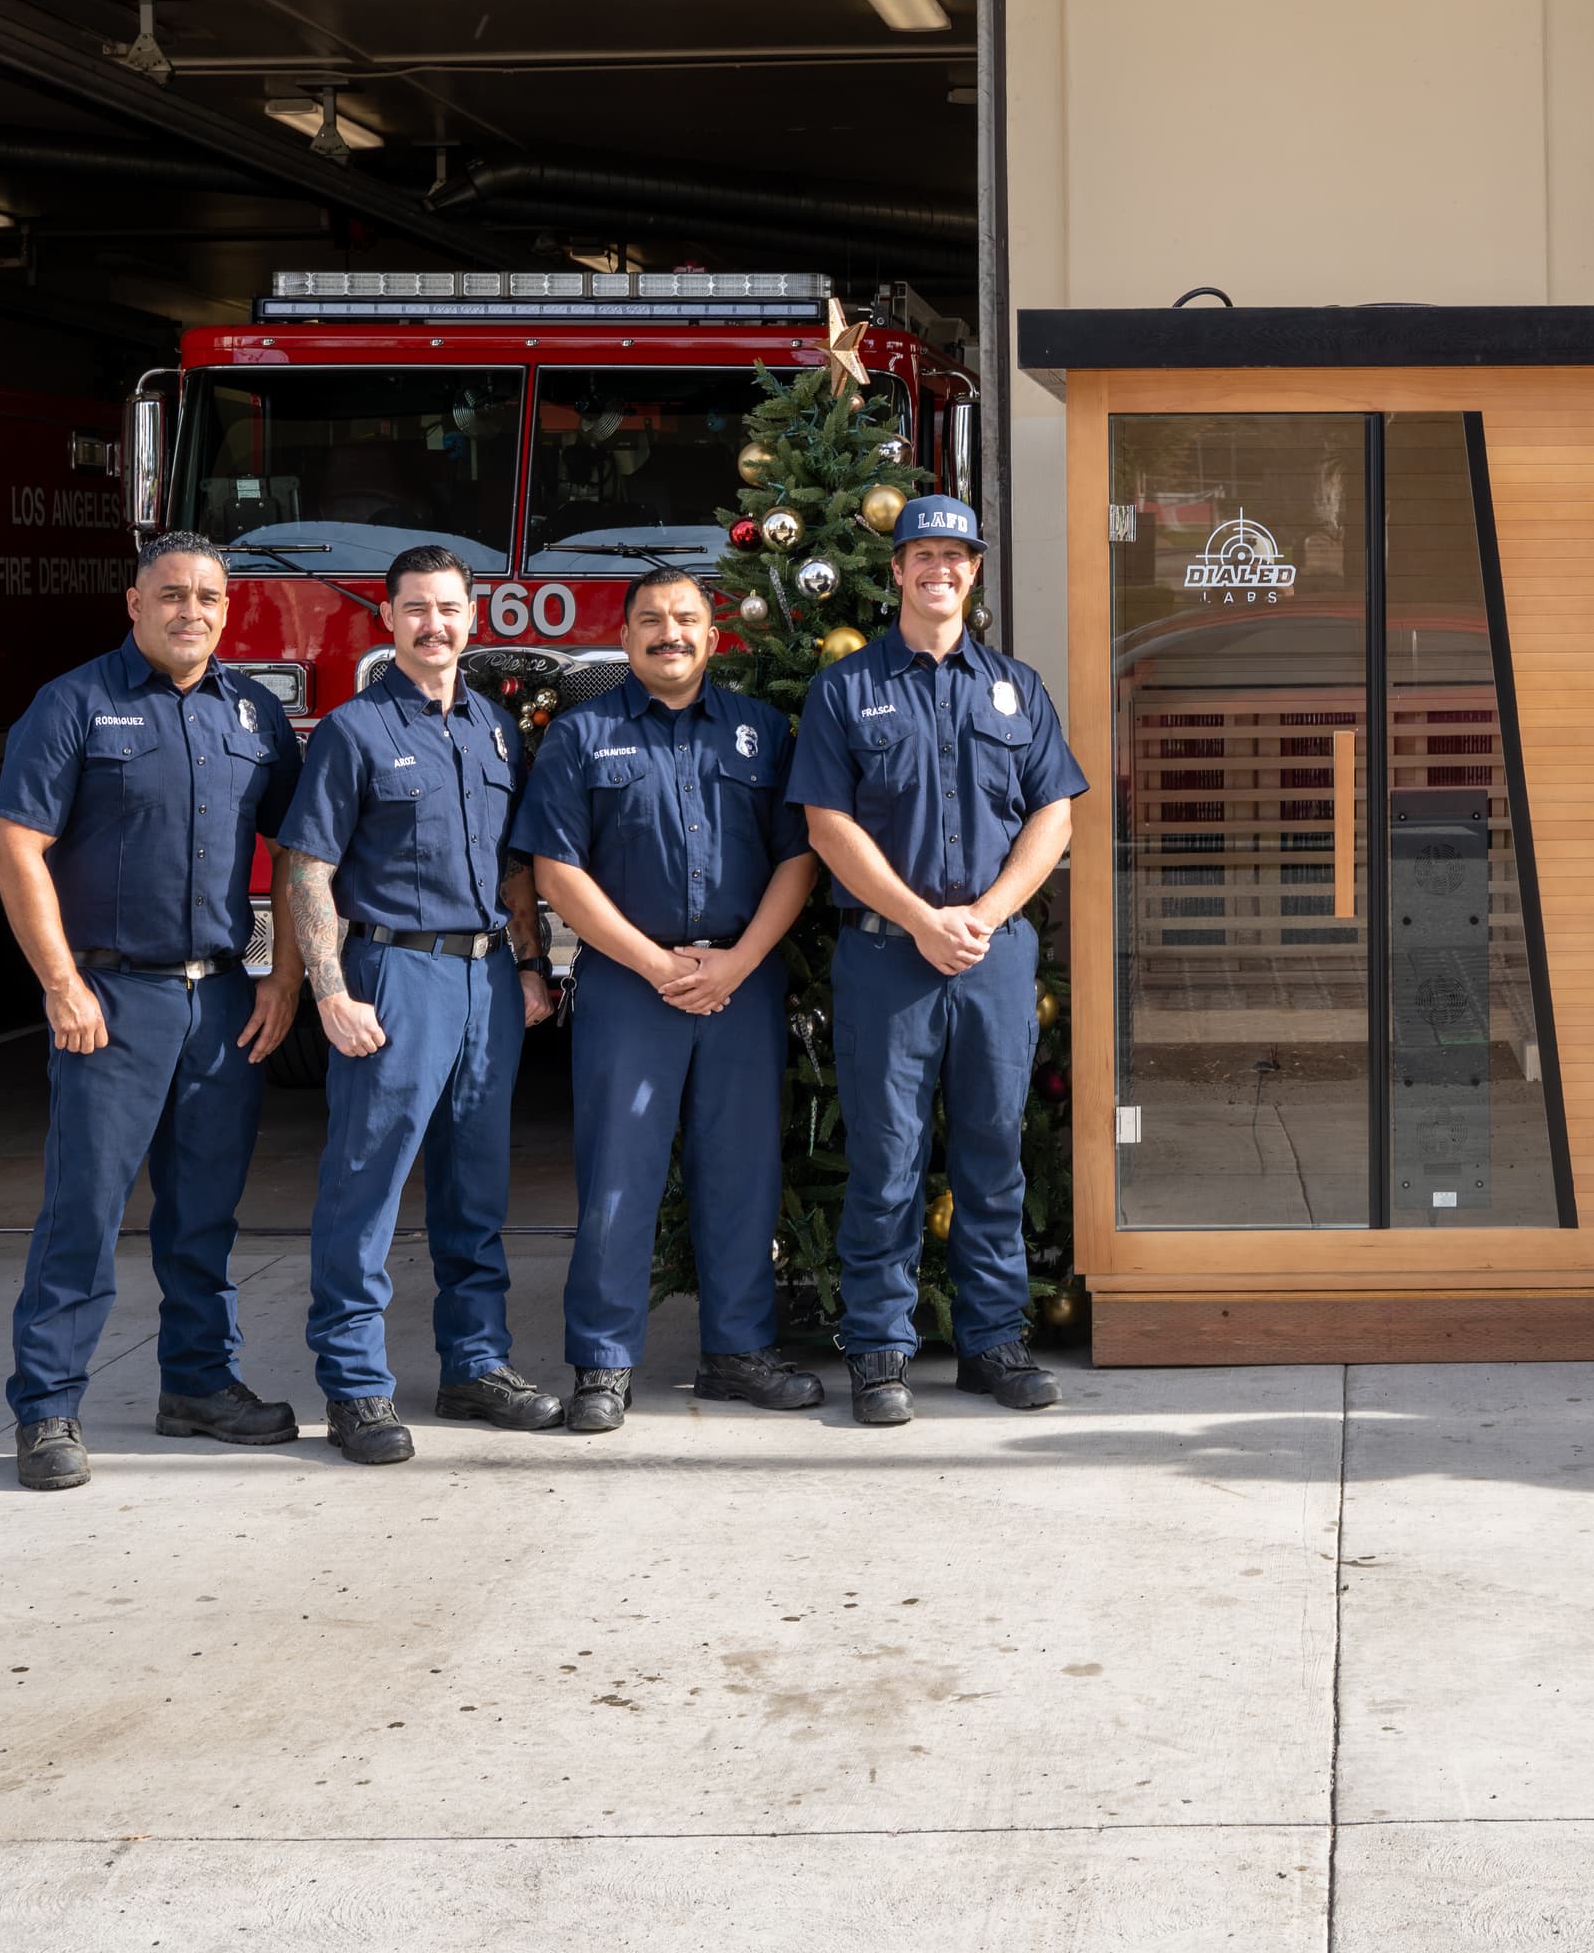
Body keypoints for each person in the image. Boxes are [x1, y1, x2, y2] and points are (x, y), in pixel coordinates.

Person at [0, 532, 305, 1493]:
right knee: (83, 1209)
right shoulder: (74, 704)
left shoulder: (253, 714)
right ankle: (47, 1410)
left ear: (228, 609)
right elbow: (16, 849)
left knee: (205, 1211)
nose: (190, 611)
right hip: (111, 998)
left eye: (208, 597)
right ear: (134, 604)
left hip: (221, 1000)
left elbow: (298, 853)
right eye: (171, 595)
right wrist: (61, 983)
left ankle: (199, 1386)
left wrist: (284, 978)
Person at [785, 494, 1084, 1427]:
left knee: (995, 1156)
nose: (939, 570)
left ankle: (995, 1342)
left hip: (992, 959)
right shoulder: (846, 689)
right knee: (885, 1157)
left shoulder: (1017, 689)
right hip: (887, 958)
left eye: (956, 556)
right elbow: (826, 826)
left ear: (976, 572)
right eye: (923, 555)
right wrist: (919, 918)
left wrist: (984, 917)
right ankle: (879, 1351)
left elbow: (1053, 814)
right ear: (898, 571)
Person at [515, 564, 824, 1432]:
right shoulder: (581, 737)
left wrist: (737, 964)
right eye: (650, 621)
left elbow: (799, 857)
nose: (669, 634)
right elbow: (555, 871)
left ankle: (737, 1354)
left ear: (713, 637)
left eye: (686, 619)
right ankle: (603, 1365)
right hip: (627, 986)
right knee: (619, 1174)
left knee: (742, 1176)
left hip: (741, 985)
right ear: (625, 639)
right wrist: (656, 965)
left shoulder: (764, 733)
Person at [276, 544, 563, 1464]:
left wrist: (528, 966)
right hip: (395, 975)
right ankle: (357, 1388)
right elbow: (306, 870)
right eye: (415, 609)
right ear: (389, 621)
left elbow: (513, 867)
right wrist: (329, 991)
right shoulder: (354, 733)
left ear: (471, 618)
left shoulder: (492, 728)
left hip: (485, 979)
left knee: (474, 1186)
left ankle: (475, 1365)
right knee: (367, 1182)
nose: (434, 625)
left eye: (448, 608)